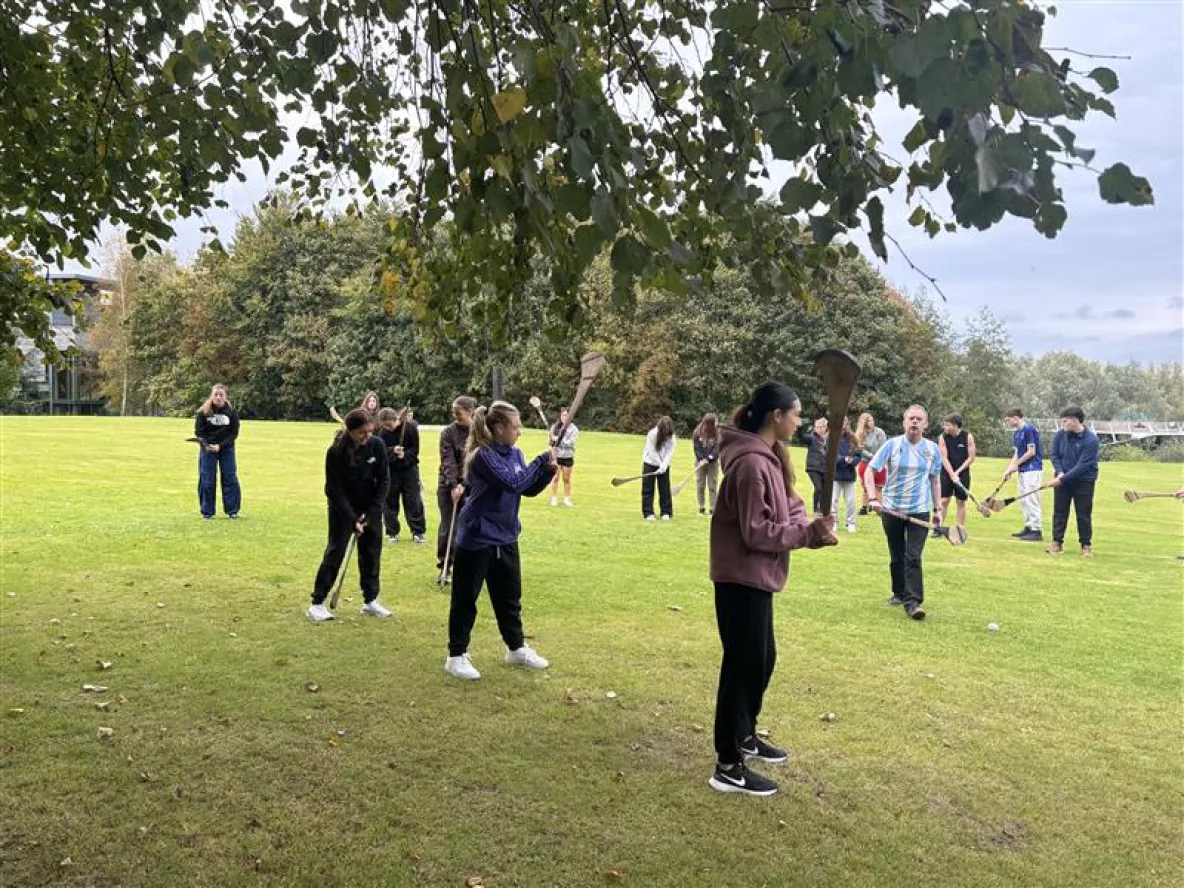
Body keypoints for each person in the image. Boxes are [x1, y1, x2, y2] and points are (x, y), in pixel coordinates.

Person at [707, 382, 837, 797]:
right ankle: (727, 764)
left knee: (762, 660)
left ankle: (744, 736)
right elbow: (756, 531)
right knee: (742, 667)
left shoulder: (770, 459)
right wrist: (806, 536)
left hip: (757, 577)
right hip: (740, 577)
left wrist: (813, 524)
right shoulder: (749, 465)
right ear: (775, 416)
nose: (800, 422)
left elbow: (789, 503)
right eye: (796, 414)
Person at [444, 401, 557, 680]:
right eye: (515, 427)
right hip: (477, 536)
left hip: (505, 535)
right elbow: (512, 483)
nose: (519, 432)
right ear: (498, 428)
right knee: (465, 599)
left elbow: (525, 488)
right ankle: (456, 655)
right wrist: (540, 460)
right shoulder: (483, 456)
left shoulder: (515, 453)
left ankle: (516, 648)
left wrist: (547, 473)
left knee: (509, 598)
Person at [308, 409, 392, 621]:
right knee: (336, 551)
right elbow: (333, 489)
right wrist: (351, 518)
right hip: (342, 508)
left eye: (370, 431)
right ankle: (317, 602)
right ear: (351, 431)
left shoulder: (377, 445)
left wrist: (371, 512)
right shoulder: (336, 452)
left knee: (371, 552)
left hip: (369, 507)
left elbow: (384, 481)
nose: (367, 436)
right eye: (362, 433)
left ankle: (370, 600)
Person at [865, 405, 943, 621]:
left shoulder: (932, 449)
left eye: (919, 419)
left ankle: (913, 602)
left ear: (925, 424)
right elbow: (870, 469)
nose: (915, 422)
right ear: (904, 422)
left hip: (919, 509)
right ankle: (899, 593)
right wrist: (873, 497)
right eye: (911, 418)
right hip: (892, 509)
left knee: (913, 556)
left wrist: (938, 508)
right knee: (897, 554)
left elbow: (935, 480)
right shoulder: (892, 445)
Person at [1048, 406, 1100, 558]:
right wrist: (1060, 472)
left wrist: (1062, 478)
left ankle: (1085, 545)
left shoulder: (1091, 440)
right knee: (1059, 512)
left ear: (1075, 421)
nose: (1063, 424)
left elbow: (1083, 465)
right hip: (1063, 479)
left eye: (1065, 421)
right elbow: (1054, 455)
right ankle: (1057, 542)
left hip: (1084, 481)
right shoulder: (1060, 435)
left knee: (1083, 514)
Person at [437, 396, 477, 581]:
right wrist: (454, 485)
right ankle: (445, 566)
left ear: (471, 413)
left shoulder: (478, 433)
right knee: (448, 527)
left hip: (472, 484)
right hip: (448, 483)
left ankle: (467, 566)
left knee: (469, 526)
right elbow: (448, 461)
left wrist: (465, 484)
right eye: (453, 412)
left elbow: (478, 462)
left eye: (459, 413)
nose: (455, 416)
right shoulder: (447, 433)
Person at [377, 407, 427, 545]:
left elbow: (415, 449)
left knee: (413, 501)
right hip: (391, 472)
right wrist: (393, 451)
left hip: (409, 471)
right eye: (385, 425)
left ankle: (418, 532)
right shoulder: (383, 433)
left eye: (389, 424)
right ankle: (392, 532)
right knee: (390, 502)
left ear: (396, 419)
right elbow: (381, 452)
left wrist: (405, 455)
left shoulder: (410, 429)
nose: (388, 428)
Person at [194, 384, 242, 520]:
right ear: (212, 396)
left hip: (226, 449)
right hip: (208, 450)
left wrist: (220, 446)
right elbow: (199, 432)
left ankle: (232, 511)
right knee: (207, 479)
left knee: (229, 477)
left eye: (221, 395)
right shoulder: (203, 412)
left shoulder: (231, 412)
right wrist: (206, 444)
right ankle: (207, 512)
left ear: (225, 396)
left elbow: (234, 433)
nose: (218, 397)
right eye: (216, 394)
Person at [1002, 408, 1044, 541]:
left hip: (1033, 469)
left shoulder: (1029, 430)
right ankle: (1028, 526)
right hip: (1023, 470)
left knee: (1032, 498)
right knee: (1023, 499)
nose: (1007, 423)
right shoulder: (1016, 434)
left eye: (1008, 420)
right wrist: (1009, 469)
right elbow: (1016, 454)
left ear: (1016, 418)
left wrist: (1017, 464)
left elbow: (1031, 452)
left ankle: (1036, 530)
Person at [937, 413, 976, 535]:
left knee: (961, 501)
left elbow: (971, 458)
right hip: (946, 472)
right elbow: (943, 458)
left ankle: (960, 529)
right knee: (943, 500)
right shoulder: (942, 437)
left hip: (963, 473)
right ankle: (938, 528)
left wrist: (958, 472)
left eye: (947, 425)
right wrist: (951, 474)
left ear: (955, 425)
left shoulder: (967, 437)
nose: (945, 427)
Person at [641, 416, 677, 521]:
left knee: (664, 488)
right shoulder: (652, 434)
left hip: (664, 465)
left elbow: (669, 452)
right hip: (650, 462)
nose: (666, 434)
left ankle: (666, 512)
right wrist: (659, 464)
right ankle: (648, 513)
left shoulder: (672, 437)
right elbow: (652, 451)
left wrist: (664, 465)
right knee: (648, 488)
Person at [854, 412, 888, 515]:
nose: (871, 423)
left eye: (872, 420)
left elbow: (884, 447)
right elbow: (859, 448)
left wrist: (877, 458)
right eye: (868, 421)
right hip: (865, 462)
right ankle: (864, 508)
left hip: (879, 463)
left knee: (878, 487)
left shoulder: (879, 432)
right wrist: (870, 456)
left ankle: (879, 509)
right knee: (866, 487)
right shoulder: (860, 433)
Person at [548, 408, 579, 507]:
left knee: (566, 479)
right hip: (556, 456)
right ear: (560, 416)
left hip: (567, 456)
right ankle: (554, 498)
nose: (565, 417)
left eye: (567, 416)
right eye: (563, 415)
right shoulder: (554, 427)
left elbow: (570, 443)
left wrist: (557, 438)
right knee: (555, 478)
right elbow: (551, 443)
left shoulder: (574, 429)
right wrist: (552, 440)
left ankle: (567, 499)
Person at [832, 417, 859, 533]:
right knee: (833, 501)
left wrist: (852, 461)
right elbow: (830, 454)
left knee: (851, 501)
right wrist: (844, 459)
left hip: (849, 475)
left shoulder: (853, 439)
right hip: (835, 475)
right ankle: (833, 523)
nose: (843, 425)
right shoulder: (832, 437)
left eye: (845, 423)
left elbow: (858, 456)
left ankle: (851, 523)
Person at [693, 412, 721, 516]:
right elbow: (696, 448)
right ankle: (701, 507)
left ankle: (713, 509)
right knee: (700, 485)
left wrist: (709, 458)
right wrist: (701, 459)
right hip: (700, 462)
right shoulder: (697, 432)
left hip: (712, 463)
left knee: (712, 485)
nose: (717, 423)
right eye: (715, 421)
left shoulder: (718, 433)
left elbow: (717, 449)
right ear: (710, 423)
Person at [800, 417, 828, 515]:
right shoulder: (812, 438)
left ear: (825, 428)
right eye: (817, 427)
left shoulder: (829, 439)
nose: (819, 429)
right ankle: (816, 509)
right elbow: (802, 438)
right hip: (813, 468)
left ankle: (824, 509)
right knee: (818, 488)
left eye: (821, 427)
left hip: (825, 469)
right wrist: (801, 428)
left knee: (825, 490)